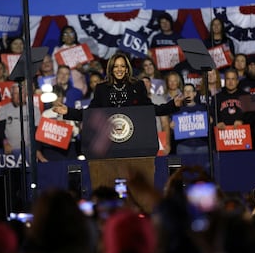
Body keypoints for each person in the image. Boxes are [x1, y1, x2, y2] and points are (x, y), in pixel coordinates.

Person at [53, 52, 184, 121]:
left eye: (122, 66)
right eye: (116, 66)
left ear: (127, 69)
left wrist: (173, 105)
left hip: (134, 138)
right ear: (111, 69)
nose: (119, 69)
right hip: (109, 141)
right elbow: (90, 113)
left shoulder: (137, 86)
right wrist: (68, 112)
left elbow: (150, 109)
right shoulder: (101, 89)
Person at [0, 82, 46, 162]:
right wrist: (5, 143)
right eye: (15, 93)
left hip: (29, 151)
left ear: (26, 94)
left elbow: (38, 131)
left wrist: (37, 149)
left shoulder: (34, 109)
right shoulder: (4, 109)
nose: (19, 96)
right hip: (10, 152)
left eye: (21, 93)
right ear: (11, 95)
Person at [170, 83, 209, 155]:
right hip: (184, 146)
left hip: (202, 145)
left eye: (190, 91)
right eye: (185, 91)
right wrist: (172, 127)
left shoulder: (203, 109)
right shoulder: (177, 110)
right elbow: (173, 128)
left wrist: (210, 121)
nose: (188, 93)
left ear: (194, 93)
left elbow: (209, 127)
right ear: (183, 94)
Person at [51, 25, 88, 95]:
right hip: (62, 86)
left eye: (71, 33)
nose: (68, 36)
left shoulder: (81, 50)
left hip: (79, 85)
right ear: (62, 38)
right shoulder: (57, 51)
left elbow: (87, 70)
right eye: (65, 34)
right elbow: (55, 70)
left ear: (75, 37)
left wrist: (81, 69)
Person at [142, 76, 171, 155]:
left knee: (160, 164)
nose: (145, 85)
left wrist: (167, 143)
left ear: (151, 85)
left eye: (147, 82)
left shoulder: (159, 99)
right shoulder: (135, 101)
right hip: (141, 139)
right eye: (142, 83)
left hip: (158, 137)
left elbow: (165, 124)